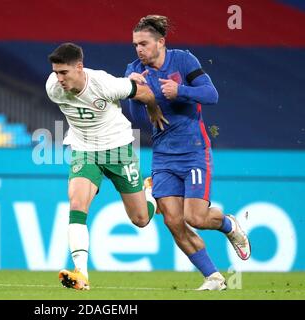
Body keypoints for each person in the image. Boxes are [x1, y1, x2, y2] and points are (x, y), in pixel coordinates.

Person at [125, 15, 251, 290]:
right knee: (172, 220)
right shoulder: (133, 70)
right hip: (162, 156)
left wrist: (180, 90)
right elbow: (136, 118)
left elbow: (211, 94)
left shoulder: (183, 60)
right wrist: (136, 91)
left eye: (144, 44)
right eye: (135, 45)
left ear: (161, 42)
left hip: (194, 151)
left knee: (195, 217)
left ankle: (228, 224)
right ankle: (214, 278)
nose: (139, 50)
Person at [46, 42, 168, 290]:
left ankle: (150, 192)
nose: (59, 78)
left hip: (119, 149)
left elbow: (142, 92)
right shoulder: (53, 87)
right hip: (84, 150)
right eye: (56, 72)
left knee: (141, 219)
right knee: (77, 202)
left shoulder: (104, 84)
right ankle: (81, 273)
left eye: (64, 73)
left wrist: (153, 110)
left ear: (79, 67)